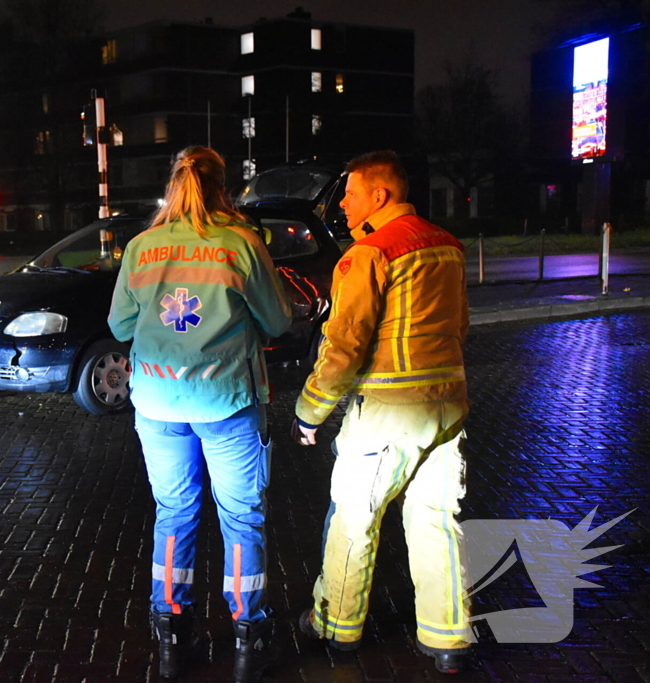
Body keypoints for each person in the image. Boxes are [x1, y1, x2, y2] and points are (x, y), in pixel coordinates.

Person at [108, 146, 291, 682]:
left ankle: (170, 628)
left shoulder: (141, 249)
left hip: (159, 406)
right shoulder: (241, 245)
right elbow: (277, 321)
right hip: (226, 404)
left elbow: (121, 328)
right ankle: (248, 635)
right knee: (240, 518)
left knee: (175, 514)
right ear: (222, 187)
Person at [292, 150, 472, 674]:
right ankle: (447, 639)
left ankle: (336, 626)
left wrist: (311, 411)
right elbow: (459, 326)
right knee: (438, 522)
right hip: (448, 408)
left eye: (348, 193)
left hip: (389, 413)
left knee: (355, 519)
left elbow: (343, 346)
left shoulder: (369, 254)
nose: (341, 204)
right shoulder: (449, 247)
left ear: (380, 195)